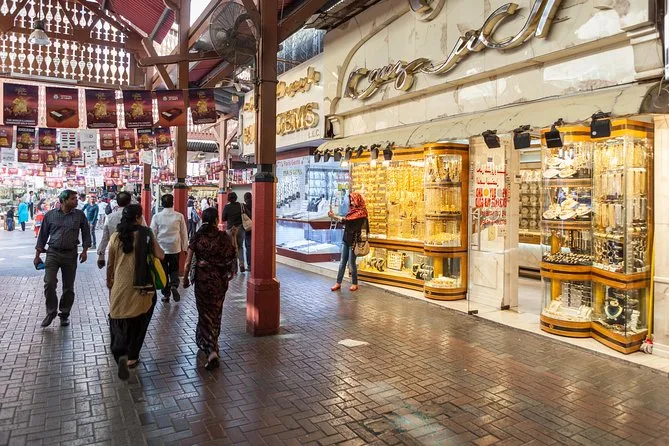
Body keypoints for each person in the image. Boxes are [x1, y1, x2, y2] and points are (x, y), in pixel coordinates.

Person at [106, 205, 164, 380]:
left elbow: (110, 263)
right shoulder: (146, 233)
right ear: (139, 217)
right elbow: (160, 255)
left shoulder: (116, 236)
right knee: (140, 320)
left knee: (118, 318)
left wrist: (109, 281)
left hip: (120, 285)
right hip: (142, 286)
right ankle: (132, 356)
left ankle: (120, 352)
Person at [182, 208, 237, 370]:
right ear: (215, 220)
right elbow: (232, 255)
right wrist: (233, 237)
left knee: (204, 313)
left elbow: (187, 262)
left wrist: (185, 279)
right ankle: (214, 343)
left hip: (202, 280)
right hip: (219, 280)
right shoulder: (223, 237)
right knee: (216, 311)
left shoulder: (197, 236)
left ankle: (211, 350)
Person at [34, 190, 91, 327]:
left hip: (70, 254)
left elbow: (86, 233)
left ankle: (64, 314)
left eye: (76, 198)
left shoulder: (79, 215)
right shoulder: (50, 215)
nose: (76, 201)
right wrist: (37, 256)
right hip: (52, 253)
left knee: (68, 287)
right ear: (64, 201)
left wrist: (84, 251)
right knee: (49, 283)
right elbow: (42, 236)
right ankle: (51, 312)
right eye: (73, 199)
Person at [150, 194, 188, 303]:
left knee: (164, 271)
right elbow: (184, 233)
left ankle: (166, 294)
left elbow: (152, 234)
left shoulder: (156, 217)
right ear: (173, 203)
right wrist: (185, 247)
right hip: (175, 247)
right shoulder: (179, 216)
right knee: (174, 269)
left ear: (162, 203)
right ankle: (174, 285)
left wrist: (152, 249)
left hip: (161, 249)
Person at [328, 192, 369, 292]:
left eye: (353, 200)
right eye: (350, 200)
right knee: (342, 262)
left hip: (354, 241)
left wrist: (334, 216)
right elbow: (346, 221)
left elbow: (347, 221)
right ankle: (338, 283)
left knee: (351, 263)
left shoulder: (361, 213)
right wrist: (334, 216)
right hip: (346, 238)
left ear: (358, 200)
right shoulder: (351, 212)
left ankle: (354, 283)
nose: (351, 202)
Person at [98, 191, 146, 268]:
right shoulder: (137, 216)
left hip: (115, 251)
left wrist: (101, 255)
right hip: (134, 251)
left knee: (115, 271)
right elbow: (145, 232)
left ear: (117, 202)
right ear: (130, 201)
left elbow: (105, 237)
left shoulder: (110, 217)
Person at [222, 192, 245, 273]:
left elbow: (223, 218)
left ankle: (234, 268)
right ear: (236, 198)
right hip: (240, 228)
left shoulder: (227, 207)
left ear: (228, 199)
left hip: (230, 229)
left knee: (231, 248)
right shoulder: (240, 205)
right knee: (240, 246)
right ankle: (241, 263)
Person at [242, 192, 252, 272]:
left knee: (248, 247)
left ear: (245, 199)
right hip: (256, 228)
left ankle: (249, 265)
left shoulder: (244, 206)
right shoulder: (255, 204)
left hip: (248, 228)